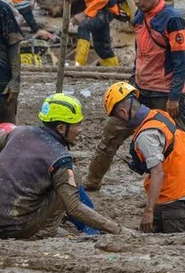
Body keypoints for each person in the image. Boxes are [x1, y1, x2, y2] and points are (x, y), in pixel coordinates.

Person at [84, 0, 185, 192]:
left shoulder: (172, 19)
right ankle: (93, 180)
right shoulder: (139, 18)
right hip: (140, 91)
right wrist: (132, 84)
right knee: (112, 132)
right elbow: (139, 54)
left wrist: (174, 97)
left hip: (164, 93)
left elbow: (181, 62)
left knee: (182, 140)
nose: (137, 1)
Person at [0, 94, 124, 238]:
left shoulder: (18, 132)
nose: (80, 130)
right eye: (77, 125)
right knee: (71, 180)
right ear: (60, 128)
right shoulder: (59, 157)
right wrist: (117, 230)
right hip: (16, 228)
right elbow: (74, 207)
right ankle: (46, 230)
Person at [102, 83, 185, 233]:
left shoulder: (146, 136)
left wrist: (149, 211)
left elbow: (158, 172)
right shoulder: (157, 115)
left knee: (176, 241)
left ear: (122, 112)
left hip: (176, 195)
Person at [0, 2, 22, 124]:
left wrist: (15, 80)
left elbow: (14, 44)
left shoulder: (2, 9)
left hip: (2, 85)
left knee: (6, 130)